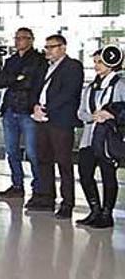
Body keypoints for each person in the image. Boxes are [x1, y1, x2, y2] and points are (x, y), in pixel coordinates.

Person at [27, 34, 85, 219]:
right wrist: (35, 106)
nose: (47, 51)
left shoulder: (73, 67)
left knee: (64, 163)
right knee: (43, 159)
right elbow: (35, 89)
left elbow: (69, 93)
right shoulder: (45, 67)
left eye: (51, 47)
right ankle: (47, 197)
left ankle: (67, 203)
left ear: (63, 48)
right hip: (41, 120)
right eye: (46, 47)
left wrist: (46, 109)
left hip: (60, 121)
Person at [0, 28, 47, 200]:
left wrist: (15, 79)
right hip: (10, 108)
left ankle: (39, 188)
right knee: (11, 150)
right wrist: (17, 78)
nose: (19, 41)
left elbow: (32, 82)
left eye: (23, 38)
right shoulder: (11, 60)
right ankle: (17, 185)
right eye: (17, 38)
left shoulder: (38, 60)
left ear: (31, 40)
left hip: (28, 109)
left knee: (33, 152)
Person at [75, 46, 124, 228]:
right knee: (85, 174)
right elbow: (81, 112)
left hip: (108, 139)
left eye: (100, 62)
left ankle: (106, 214)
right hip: (89, 137)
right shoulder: (90, 87)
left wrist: (111, 115)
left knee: (108, 176)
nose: (96, 66)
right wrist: (92, 116)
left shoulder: (120, 85)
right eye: (95, 62)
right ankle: (95, 210)